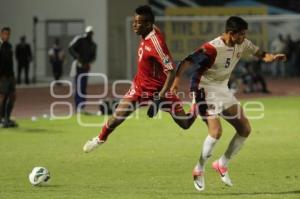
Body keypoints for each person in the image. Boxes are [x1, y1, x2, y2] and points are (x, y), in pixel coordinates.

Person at [171, 16, 286, 191]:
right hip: (203, 89)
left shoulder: (243, 43)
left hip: (222, 89)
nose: (244, 37)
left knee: (245, 129)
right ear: (231, 34)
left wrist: (272, 57)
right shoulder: (211, 48)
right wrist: (176, 81)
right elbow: (187, 60)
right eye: (241, 34)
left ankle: (222, 163)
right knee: (216, 132)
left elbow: (261, 54)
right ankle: (199, 169)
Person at [83, 5, 197, 153]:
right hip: (139, 88)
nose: (134, 25)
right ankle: (99, 139)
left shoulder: (157, 44)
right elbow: (148, 17)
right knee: (116, 117)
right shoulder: (149, 29)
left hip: (160, 91)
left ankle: (196, 102)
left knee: (185, 124)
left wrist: (159, 99)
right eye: (135, 21)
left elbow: (171, 71)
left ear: (148, 25)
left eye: (138, 22)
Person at [69, 26, 97, 113]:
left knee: (83, 87)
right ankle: (78, 106)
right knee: (78, 87)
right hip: (77, 66)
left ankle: (82, 106)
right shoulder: (80, 40)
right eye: (88, 33)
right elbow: (70, 48)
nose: (89, 35)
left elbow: (93, 57)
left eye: (90, 33)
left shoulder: (93, 45)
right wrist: (77, 58)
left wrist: (87, 62)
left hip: (85, 67)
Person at [0, 27, 18, 128]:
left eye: (8, 34)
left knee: (12, 96)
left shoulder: (9, 46)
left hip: (10, 76)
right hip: (2, 77)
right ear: (1, 34)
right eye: (5, 34)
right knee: (2, 97)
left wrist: (13, 76)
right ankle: (1, 119)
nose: (6, 36)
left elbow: (10, 63)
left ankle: (7, 118)